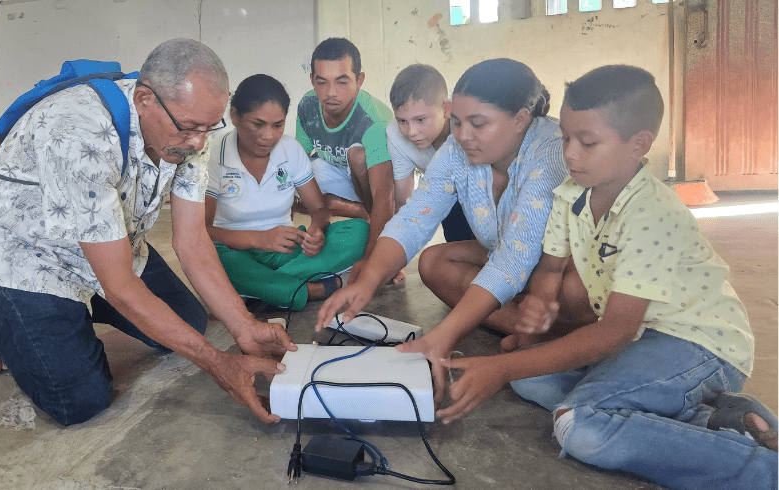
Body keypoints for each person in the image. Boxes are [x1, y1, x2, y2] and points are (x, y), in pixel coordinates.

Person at [437, 65, 778, 490]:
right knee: (532, 378)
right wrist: (538, 305)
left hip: (699, 343)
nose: (571, 154)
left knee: (582, 424)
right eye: (565, 139)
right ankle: (720, 418)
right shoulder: (569, 195)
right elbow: (550, 266)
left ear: (638, 144)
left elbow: (616, 332)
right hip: (645, 342)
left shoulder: (652, 213)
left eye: (588, 142)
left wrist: (500, 367)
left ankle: (763, 471)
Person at [0, 39, 297, 426]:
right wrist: (217, 362)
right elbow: (119, 283)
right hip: (31, 253)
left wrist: (244, 326)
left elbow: (192, 241)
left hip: (112, 241)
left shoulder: (187, 127)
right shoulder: (78, 131)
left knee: (189, 321)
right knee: (81, 401)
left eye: (209, 128)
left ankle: (73, 311)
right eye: (190, 128)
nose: (199, 142)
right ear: (143, 100)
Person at [315, 58, 570, 399]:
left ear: (521, 120)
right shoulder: (456, 150)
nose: (463, 136)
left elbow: (515, 258)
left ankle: (552, 330)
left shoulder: (550, 150)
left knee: (576, 293)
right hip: (508, 259)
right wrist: (368, 281)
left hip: (557, 268)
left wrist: (444, 336)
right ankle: (536, 330)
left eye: (478, 124)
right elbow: (413, 218)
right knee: (433, 263)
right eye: (458, 122)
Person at [204, 74, 368, 311]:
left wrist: (316, 230)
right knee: (212, 259)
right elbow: (204, 229)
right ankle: (312, 290)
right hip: (234, 250)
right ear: (235, 117)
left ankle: (258, 288)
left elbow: (319, 209)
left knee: (360, 231)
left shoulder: (290, 150)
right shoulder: (213, 155)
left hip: (285, 250)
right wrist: (260, 239)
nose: (268, 136)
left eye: (278, 125)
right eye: (258, 124)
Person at [294, 37, 397, 283]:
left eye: (342, 82)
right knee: (295, 175)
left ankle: (369, 217)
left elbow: (385, 193)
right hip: (336, 172)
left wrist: (374, 259)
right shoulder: (308, 106)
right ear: (312, 81)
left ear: (359, 80)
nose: (331, 93)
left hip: (375, 178)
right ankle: (357, 211)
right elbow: (294, 162)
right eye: (322, 82)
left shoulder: (373, 120)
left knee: (357, 156)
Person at [387, 64, 473, 242]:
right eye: (402, 120)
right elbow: (403, 202)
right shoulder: (395, 135)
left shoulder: (469, 127)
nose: (411, 131)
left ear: (446, 109)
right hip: (451, 204)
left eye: (420, 120)